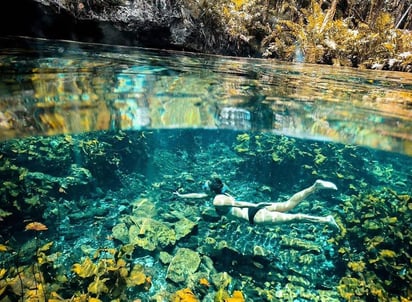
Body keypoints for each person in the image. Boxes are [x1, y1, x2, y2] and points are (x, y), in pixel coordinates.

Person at [174, 176, 340, 230]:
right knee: (289, 205)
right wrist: (182, 196)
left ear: (211, 189)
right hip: (257, 207)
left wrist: (256, 208)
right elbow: (199, 195)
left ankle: (325, 220)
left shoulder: (218, 200)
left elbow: (237, 205)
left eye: (205, 186)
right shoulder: (219, 194)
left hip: (255, 215)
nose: (203, 189)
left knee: (294, 218)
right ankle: (315, 186)